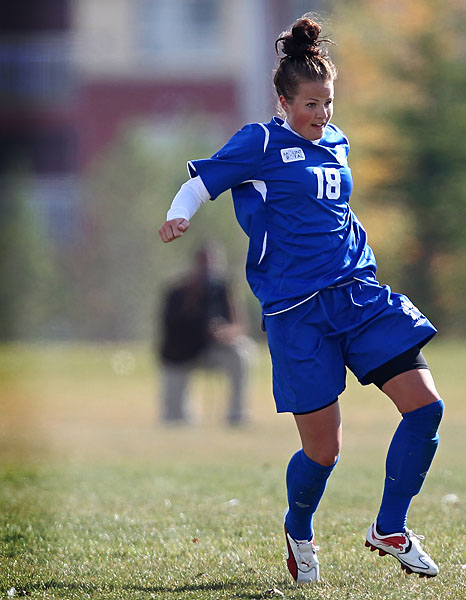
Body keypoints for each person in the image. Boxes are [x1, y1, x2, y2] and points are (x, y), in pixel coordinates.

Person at [157, 15, 444, 583]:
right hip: (297, 315)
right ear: (283, 99)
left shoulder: (336, 142)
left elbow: (331, 212)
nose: (321, 114)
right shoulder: (260, 142)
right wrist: (177, 215)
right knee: (323, 450)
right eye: (310, 104)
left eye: (328, 103)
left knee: (426, 407)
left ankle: (390, 527)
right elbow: (200, 183)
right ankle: (300, 527)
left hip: (358, 296)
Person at [158, 243, 250, 426]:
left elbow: (239, 324)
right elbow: (169, 328)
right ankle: (179, 418)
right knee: (175, 420)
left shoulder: (222, 289)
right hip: (181, 353)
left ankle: (236, 414)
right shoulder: (177, 291)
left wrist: (224, 333)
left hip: (212, 350)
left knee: (242, 351)